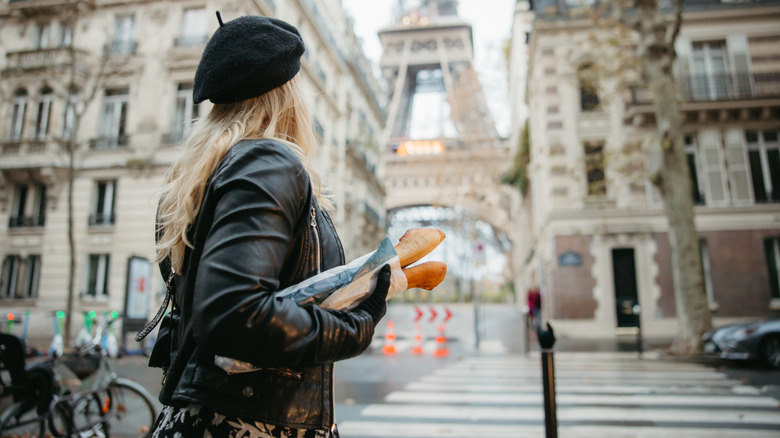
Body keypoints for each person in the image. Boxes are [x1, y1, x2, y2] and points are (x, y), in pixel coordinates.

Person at [142, 13, 391, 438]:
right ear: (286, 93)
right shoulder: (268, 162)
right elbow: (234, 313)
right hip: (251, 424)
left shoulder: (202, 178)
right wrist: (354, 328)